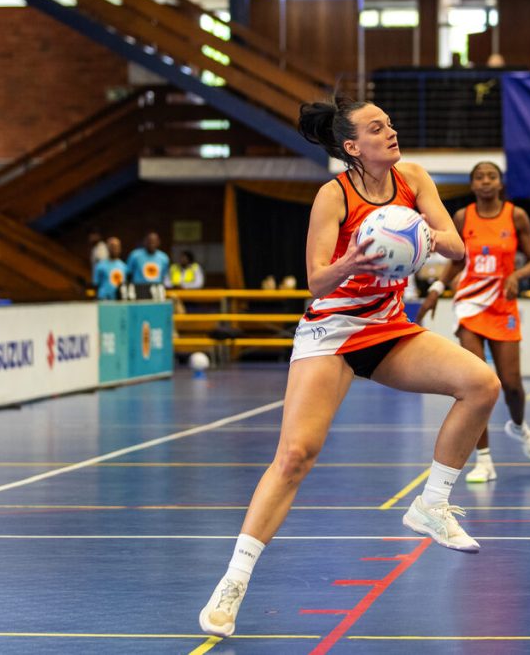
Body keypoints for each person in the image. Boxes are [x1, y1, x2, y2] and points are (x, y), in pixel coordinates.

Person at [198, 96, 500, 637]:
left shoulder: (413, 180)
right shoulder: (331, 196)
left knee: (481, 383)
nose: (392, 131)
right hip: (331, 332)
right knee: (294, 456)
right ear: (352, 147)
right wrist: (351, 261)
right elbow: (316, 280)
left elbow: (457, 247)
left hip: (388, 327)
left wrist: (419, 238)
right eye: (378, 127)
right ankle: (232, 584)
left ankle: (432, 505)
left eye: (391, 122)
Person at [416, 161, 530, 483]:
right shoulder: (463, 217)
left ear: (500, 183)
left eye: (492, 176)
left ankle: (518, 426)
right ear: (472, 184)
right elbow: (456, 260)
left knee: (512, 385)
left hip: (503, 307)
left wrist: (517, 274)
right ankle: (484, 461)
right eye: (479, 177)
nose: (486, 181)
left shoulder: (516, 215)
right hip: (470, 307)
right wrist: (436, 289)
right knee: (476, 384)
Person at [127, 232, 170, 299]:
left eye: (154, 241)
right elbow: (128, 274)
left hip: (157, 289)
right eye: (149, 241)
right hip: (139, 289)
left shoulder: (163, 257)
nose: (151, 243)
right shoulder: (135, 255)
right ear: (145, 242)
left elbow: (164, 276)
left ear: (158, 242)